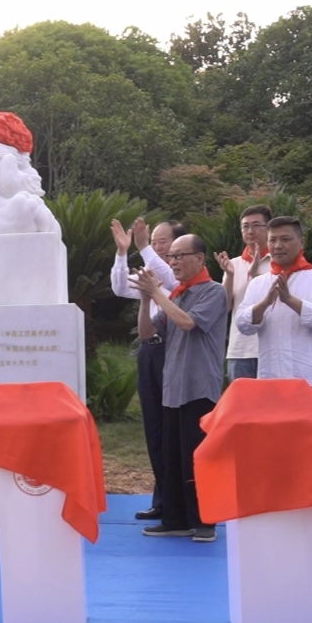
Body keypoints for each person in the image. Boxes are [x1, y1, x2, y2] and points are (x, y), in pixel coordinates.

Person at [130, 234, 227, 542]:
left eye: (179, 255)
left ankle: (204, 521)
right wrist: (146, 300)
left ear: (200, 259)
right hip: (172, 388)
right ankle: (175, 518)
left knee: (196, 458)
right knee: (173, 457)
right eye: (170, 257)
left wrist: (157, 292)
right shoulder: (176, 296)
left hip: (199, 388)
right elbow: (147, 334)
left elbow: (187, 323)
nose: (173, 262)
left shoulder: (213, 292)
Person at [110, 218, 186, 521]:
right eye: (152, 240)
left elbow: (169, 283)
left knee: (174, 428)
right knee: (154, 427)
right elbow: (118, 287)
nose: (155, 245)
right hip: (150, 351)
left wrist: (143, 248)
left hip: (175, 352)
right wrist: (122, 252)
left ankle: (180, 501)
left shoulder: (182, 277)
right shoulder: (150, 269)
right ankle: (162, 498)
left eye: (161, 241)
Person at [235, 216, 312, 404]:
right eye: (272, 240)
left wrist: (290, 300)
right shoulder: (259, 283)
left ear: (301, 242)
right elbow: (242, 324)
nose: (278, 245)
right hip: (271, 376)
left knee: (308, 433)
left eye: (285, 239)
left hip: (309, 377)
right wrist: (265, 303)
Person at [214, 205, 272, 382]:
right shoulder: (234, 264)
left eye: (256, 225)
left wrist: (256, 276)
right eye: (245, 226)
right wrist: (230, 275)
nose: (250, 231)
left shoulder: (279, 262)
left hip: (271, 347)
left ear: (269, 228)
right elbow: (225, 306)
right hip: (241, 348)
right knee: (242, 407)